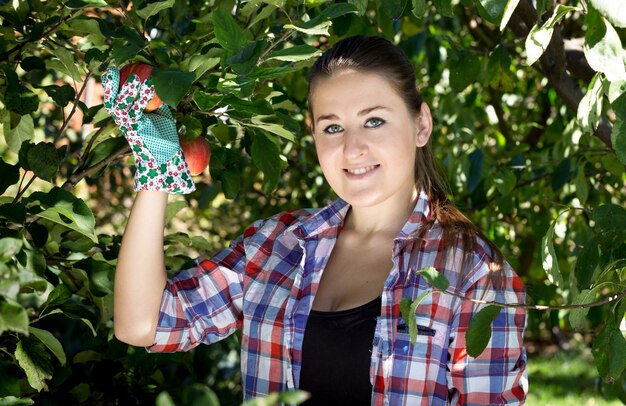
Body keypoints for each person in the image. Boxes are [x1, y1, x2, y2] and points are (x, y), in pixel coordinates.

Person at [104, 35, 528, 405]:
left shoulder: (472, 273)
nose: (353, 147)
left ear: (421, 124)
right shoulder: (276, 247)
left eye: (374, 121)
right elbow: (143, 324)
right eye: (332, 128)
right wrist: (155, 166)